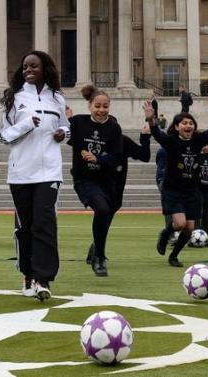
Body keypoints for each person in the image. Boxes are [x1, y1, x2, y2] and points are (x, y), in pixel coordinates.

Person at [0, 51, 69, 300]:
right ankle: (27, 274)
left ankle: (43, 278)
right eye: (25, 66)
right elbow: (4, 136)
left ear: (45, 69)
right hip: (21, 172)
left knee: (45, 223)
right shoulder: (13, 98)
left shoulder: (57, 98)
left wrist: (63, 133)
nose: (28, 70)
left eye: (33, 66)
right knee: (25, 226)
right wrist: (27, 124)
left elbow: (65, 126)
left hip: (49, 170)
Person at [145, 94, 208, 267]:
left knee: (189, 228)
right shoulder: (171, 141)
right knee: (180, 223)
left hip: (192, 191)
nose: (188, 125)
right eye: (184, 123)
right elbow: (157, 134)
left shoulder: (198, 140)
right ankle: (165, 234)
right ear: (177, 127)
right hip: (173, 189)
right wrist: (151, 119)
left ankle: (173, 256)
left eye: (191, 123)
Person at [68, 85, 122, 277]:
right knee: (102, 209)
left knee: (105, 215)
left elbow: (117, 157)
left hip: (106, 180)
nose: (101, 110)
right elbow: (64, 138)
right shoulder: (77, 122)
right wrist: (64, 121)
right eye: (97, 106)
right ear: (90, 105)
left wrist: (98, 158)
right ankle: (99, 257)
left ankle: (95, 249)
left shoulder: (114, 127)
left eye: (105, 106)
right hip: (84, 179)